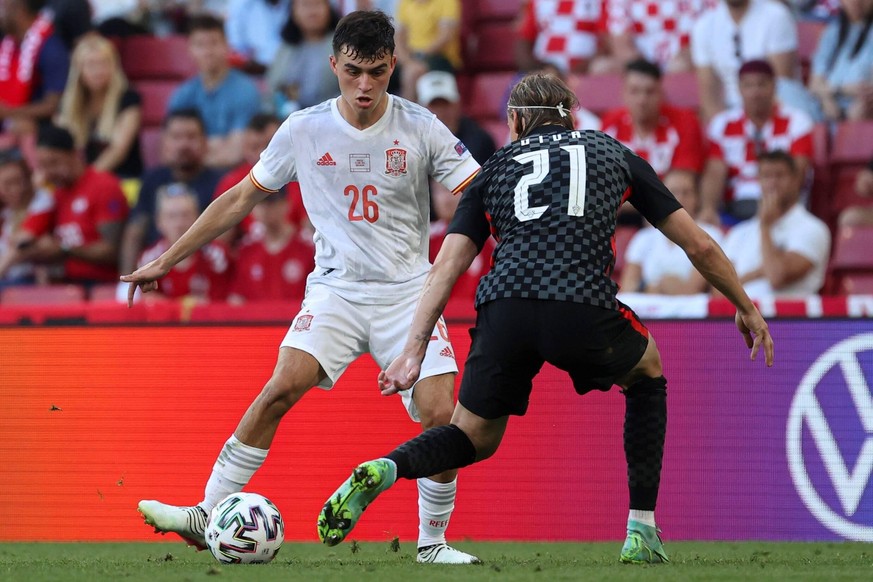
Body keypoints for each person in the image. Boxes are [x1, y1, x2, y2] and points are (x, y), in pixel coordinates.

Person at [315, 72, 774, 565]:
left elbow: (445, 268)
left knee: (472, 437)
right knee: (647, 371)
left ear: (514, 121)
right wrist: (744, 305)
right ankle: (641, 528)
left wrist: (412, 351)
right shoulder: (611, 152)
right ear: (571, 116)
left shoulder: (491, 170)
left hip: (504, 306)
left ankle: (388, 467)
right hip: (580, 301)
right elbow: (697, 243)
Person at [123, 10, 483, 565]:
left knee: (441, 412)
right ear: (334, 63)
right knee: (280, 388)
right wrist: (167, 259)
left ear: (394, 67)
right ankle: (205, 512)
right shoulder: (303, 129)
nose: (365, 86)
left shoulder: (420, 126)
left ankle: (431, 543)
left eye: (379, 73)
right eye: (354, 72)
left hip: (408, 292)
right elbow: (241, 198)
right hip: (335, 291)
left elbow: (479, 191)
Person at [9, 125, 128, 286]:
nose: (48, 172)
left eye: (54, 162)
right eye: (42, 166)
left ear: (75, 154)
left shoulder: (104, 186)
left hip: (100, 283)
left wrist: (64, 249)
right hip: (62, 282)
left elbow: (113, 251)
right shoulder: (54, 194)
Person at [700, 59, 814, 225]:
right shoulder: (722, 124)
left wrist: (778, 206)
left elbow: (798, 172)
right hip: (735, 206)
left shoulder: (797, 122)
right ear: (739, 89)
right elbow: (714, 172)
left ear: (774, 86)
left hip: (781, 207)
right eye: (748, 85)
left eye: (762, 84)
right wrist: (709, 208)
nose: (755, 92)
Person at [119, 109, 225, 278]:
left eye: (191, 137)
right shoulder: (151, 180)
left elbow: (223, 237)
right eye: (176, 137)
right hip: (156, 271)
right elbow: (135, 231)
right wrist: (125, 279)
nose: (183, 144)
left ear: (205, 142)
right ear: (164, 142)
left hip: (206, 274)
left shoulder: (220, 182)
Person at [721, 150, 831, 299]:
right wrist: (759, 273)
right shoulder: (739, 233)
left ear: (796, 180)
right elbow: (719, 291)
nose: (773, 182)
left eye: (780, 175)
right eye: (766, 176)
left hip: (789, 319)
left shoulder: (813, 228)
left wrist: (765, 227)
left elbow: (776, 276)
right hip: (739, 318)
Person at [167, 13, 261, 169]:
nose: (207, 51)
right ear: (189, 49)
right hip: (191, 176)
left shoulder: (246, 90)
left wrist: (192, 154)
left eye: (214, 43)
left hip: (232, 176)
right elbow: (169, 152)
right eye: (200, 45)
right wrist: (217, 143)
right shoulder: (182, 94)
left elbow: (235, 154)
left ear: (227, 46)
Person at [691, 0, 801, 123]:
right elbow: (709, 96)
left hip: (773, 109)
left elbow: (780, 85)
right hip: (730, 113)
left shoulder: (776, 15)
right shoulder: (703, 26)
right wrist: (722, 130)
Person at [620, 169, 724, 294]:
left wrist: (651, 288)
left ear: (697, 198)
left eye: (686, 192)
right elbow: (627, 287)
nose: (680, 198)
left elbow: (692, 289)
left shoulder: (711, 234)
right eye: (673, 192)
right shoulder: (644, 237)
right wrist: (653, 287)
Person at [56, 33, 143, 180]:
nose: (98, 71)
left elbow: (118, 151)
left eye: (104, 63)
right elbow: (57, 145)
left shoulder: (129, 98)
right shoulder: (68, 103)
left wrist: (87, 181)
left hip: (121, 178)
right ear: (78, 70)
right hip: (80, 180)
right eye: (91, 65)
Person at [601, 59, 705, 178]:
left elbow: (683, 180)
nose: (642, 100)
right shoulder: (611, 122)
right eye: (634, 91)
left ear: (661, 94)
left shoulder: (684, 121)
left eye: (649, 92)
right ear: (623, 94)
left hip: (669, 195)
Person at [137, 185, 232, 303]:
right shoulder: (150, 261)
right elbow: (149, 303)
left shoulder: (218, 256)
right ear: (159, 222)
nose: (179, 224)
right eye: (171, 216)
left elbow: (226, 303)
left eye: (185, 215)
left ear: (198, 218)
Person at [227, 188, 314, 303]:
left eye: (272, 203)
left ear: (285, 204)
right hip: (257, 318)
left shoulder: (307, 246)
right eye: (261, 204)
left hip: (296, 316)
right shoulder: (247, 249)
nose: (266, 210)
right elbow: (236, 297)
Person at [0, 0, 70, 139]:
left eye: (2, 8)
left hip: (37, 132)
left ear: (18, 10)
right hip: (9, 124)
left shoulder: (50, 48)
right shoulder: (8, 43)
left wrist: (9, 112)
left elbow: (53, 105)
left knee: (22, 127)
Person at [265, 0, 341, 115]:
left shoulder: (341, 44)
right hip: (287, 119)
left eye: (317, 4)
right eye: (305, 5)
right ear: (293, 11)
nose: (312, 11)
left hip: (330, 117)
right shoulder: (286, 47)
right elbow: (273, 87)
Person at [809, 0, 873, 122]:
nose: (856, 2)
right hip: (824, 104)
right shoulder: (832, 32)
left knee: (862, 109)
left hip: (859, 107)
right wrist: (827, 99)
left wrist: (833, 90)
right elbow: (814, 84)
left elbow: (865, 89)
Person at [416, 71, 496, 166]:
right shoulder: (411, 141)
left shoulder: (479, 140)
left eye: (446, 104)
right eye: (434, 106)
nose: (441, 112)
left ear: (458, 104)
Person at [0, 148, 52, 286]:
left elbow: (21, 245)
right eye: (8, 184)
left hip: (27, 279)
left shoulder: (42, 201)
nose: (18, 188)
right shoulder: (6, 210)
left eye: (20, 180)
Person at [394, 0, 462, 100]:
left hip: (440, 58)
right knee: (379, 71)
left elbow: (445, 36)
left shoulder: (448, 2)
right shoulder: (405, 3)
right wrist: (406, 61)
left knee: (412, 73)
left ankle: (407, 114)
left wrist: (418, 56)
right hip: (411, 58)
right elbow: (399, 37)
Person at [224, 0, 290, 74]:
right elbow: (234, 43)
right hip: (252, 70)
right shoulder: (242, 4)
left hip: (287, 67)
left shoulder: (292, 4)